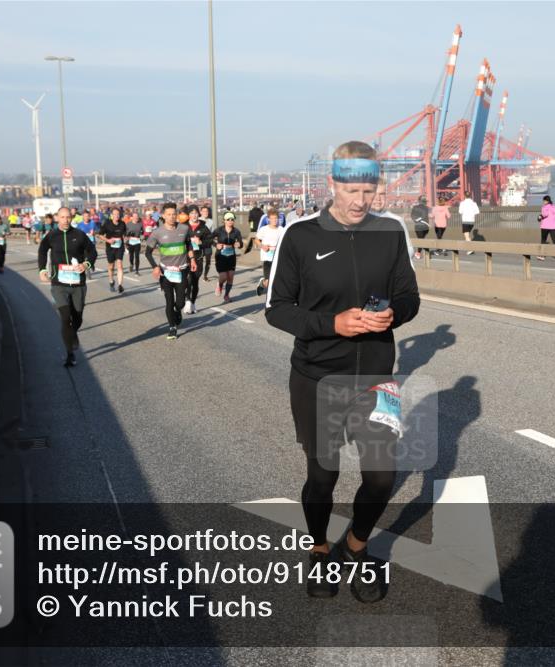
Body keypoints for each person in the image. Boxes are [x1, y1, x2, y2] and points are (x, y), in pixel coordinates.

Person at [266, 140, 420, 603]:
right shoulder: (300, 236)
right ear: (331, 184)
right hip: (316, 377)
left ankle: (357, 546)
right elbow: (277, 309)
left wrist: (393, 313)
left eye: (368, 190)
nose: (360, 200)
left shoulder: (391, 232)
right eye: (351, 189)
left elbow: (410, 297)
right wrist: (331, 323)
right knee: (323, 475)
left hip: (376, 376)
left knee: (379, 476)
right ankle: (318, 550)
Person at [38, 206, 96, 367]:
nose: (65, 220)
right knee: (65, 318)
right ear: (57, 218)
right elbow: (42, 251)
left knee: (77, 317)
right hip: (59, 283)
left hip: (78, 283)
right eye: (62, 217)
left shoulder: (79, 235)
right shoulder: (52, 235)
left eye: (68, 217)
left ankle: (73, 333)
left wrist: (86, 263)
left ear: (71, 218)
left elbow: (92, 252)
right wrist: (42, 269)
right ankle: (70, 353)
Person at [144, 202, 197, 339]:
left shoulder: (184, 229)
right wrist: (155, 267)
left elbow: (189, 244)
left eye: (174, 214)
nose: (172, 217)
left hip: (182, 270)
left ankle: (177, 310)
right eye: (169, 214)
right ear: (163, 216)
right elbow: (148, 253)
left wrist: (192, 259)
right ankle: (172, 327)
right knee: (169, 300)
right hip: (165, 272)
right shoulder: (157, 233)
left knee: (179, 302)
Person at [184, 205, 212, 313]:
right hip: (185, 257)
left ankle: (193, 303)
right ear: (188, 215)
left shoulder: (203, 227)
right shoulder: (184, 226)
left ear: (198, 214)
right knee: (188, 280)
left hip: (198, 257)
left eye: (195, 213)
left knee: (195, 281)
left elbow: (209, 241)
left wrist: (201, 242)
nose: (194, 215)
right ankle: (187, 302)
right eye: (191, 213)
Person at [213, 211, 243, 304]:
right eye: (228, 219)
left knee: (230, 276)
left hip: (231, 256)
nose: (230, 221)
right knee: (223, 276)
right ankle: (220, 284)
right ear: (224, 221)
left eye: (232, 219)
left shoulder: (236, 231)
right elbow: (209, 238)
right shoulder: (219, 230)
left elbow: (241, 243)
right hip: (220, 256)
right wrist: (216, 244)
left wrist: (239, 244)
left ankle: (226, 295)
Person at [255, 209, 284, 295]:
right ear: (269, 219)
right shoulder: (264, 229)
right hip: (267, 257)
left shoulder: (281, 229)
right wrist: (262, 246)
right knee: (268, 282)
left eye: (276, 218)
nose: (274, 220)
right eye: (272, 218)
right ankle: (263, 282)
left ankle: (274, 297)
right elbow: (256, 240)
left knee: (276, 280)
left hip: (277, 257)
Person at [100, 207, 127, 293]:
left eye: (118, 214)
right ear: (111, 215)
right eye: (114, 214)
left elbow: (124, 235)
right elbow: (100, 235)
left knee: (119, 264)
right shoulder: (107, 223)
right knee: (111, 266)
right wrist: (108, 240)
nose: (116, 216)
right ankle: (111, 281)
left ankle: (120, 285)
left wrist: (126, 241)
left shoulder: (122, 224)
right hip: (110, 247)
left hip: (120, 246)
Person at [537, 195, 555, 261]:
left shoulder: (544, 207)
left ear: (546, 201)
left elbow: (545, 214)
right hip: (554, 226)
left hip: (545, 226)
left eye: (544, 200)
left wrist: (539, 217)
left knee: (543, 240)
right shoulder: (554, 206)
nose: (543, 202)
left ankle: (542, 256)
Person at [410, 196, 430, 260]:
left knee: (420, 240)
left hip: (417, 226)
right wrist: (419, 219)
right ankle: (424, 252)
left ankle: (419, 253)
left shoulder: (415, 207)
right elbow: (424, 215)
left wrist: (416, 220)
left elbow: (412, 216)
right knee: (422, 240)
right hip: (425, 226)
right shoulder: (426, 208)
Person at [125, 211, 143, 275]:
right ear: (131, 217)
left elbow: (143, 233)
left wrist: (141, 237)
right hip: (130, 242)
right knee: (131, 255)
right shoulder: (128, 224)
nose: (136, 218)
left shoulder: (140, 224)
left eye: (137, 217)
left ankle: (137, 271)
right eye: (135, 217)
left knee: (137, 256)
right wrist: (127, 237)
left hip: (137, 242)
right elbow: (125, 234)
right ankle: (131, 264)